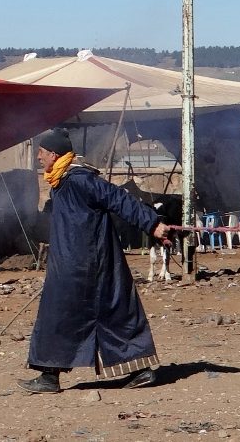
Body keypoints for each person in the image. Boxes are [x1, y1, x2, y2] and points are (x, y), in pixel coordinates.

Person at [18, 129, 169, 394]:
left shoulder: (80, 179)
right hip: (69, 262)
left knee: (109, 313)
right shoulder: (61, 182)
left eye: (41, 153)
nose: (38, 158)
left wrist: (152, 224)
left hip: (91, 262)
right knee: (61, 316)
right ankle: (49, 376)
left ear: (54, 154)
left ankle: (140, 370)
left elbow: (118, 198)